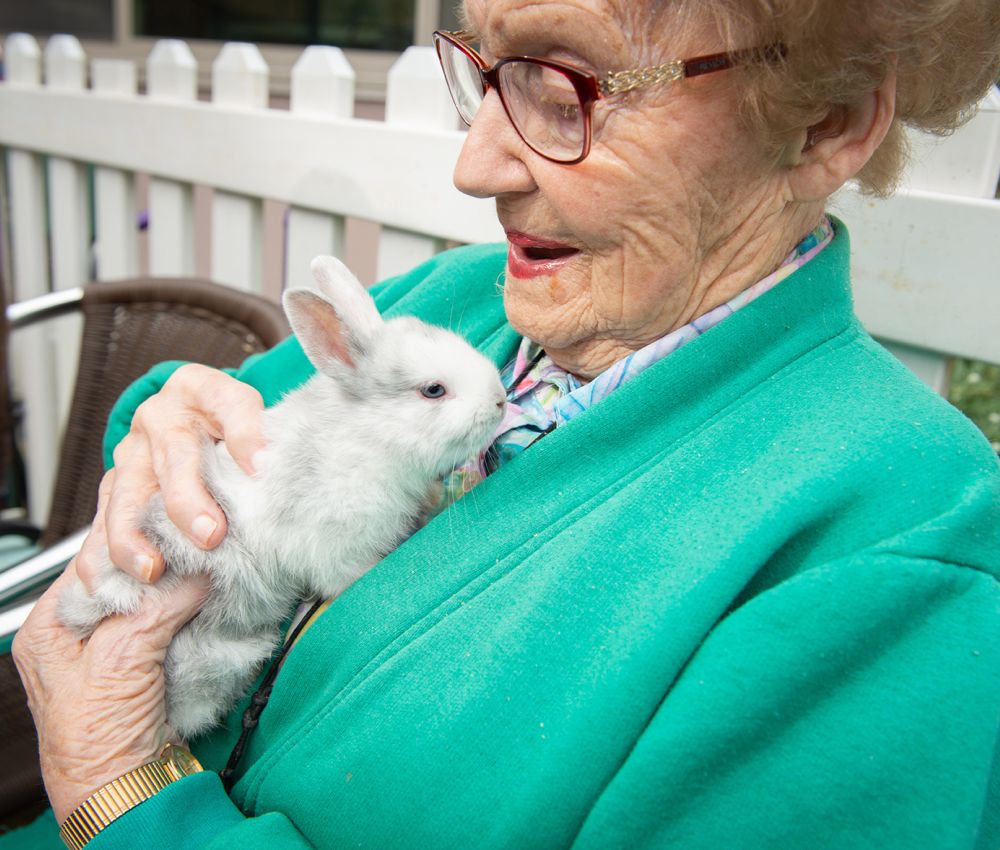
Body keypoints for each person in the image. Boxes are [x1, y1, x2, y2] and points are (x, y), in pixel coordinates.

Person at [8, 0, 1000, 847]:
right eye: (483, 72)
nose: (475, 167)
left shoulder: (898, 547)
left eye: (566, 83)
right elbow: (228, 422)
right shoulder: (472, 301)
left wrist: (123, 791)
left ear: (824, 121)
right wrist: (165, 424)